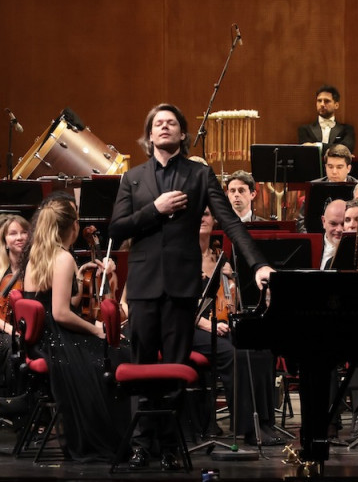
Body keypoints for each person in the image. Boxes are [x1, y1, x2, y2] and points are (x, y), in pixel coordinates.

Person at [108, 103, 274, 469]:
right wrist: (156, 208)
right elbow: (117, 229)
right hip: (143, 285)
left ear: (183, 134)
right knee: (141, 367)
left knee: (174, 368)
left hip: (182, 287)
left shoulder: (199, 175)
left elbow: (230, 222)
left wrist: (258, 264)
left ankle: (168, 445)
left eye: (171, 123)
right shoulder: (133, 178)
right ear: (149, 135)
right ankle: (140, 444)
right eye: (158, 123)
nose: (164, 127)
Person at [22, 194, 130, 462]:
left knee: (110, 350)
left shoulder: (37, 254)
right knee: (116, 353)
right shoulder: (63, 257)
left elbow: (58, 303)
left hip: (40, 338)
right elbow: (60, 313)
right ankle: (120, 435)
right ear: (71, 227)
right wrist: (96, 331)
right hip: (55, 338)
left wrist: (81, 279)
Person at [192, 207, 284, 446]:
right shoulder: (181, 256)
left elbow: (233, 302)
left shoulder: (219, 257)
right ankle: (247, 428)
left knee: (261, 349)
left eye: (207, 214)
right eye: (198, 213)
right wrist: (206, 324)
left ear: (214, 219)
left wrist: (231, 279)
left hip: (220, 324)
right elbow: (176, 305)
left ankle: (264, 422)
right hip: (190, 328)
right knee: (235, 355)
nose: (202, 218)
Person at [0, 215, 30, 395]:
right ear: (5, 241)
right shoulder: (1, 270)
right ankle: (14, 403)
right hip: (4, 328)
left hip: (28, 328)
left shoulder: (35, 267)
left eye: (24, 232)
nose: (19, 237)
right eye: (13, 233)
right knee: (13, 346)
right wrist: (10, 329)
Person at [297, 85, 356, 152]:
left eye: (326, 101)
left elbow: (346, 149)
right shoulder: (305, 129)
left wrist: (318, 146)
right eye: (319, 101)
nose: (322, 104)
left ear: (336, 105)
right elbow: (306, 151)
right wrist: (337, 147)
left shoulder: (347, 130)